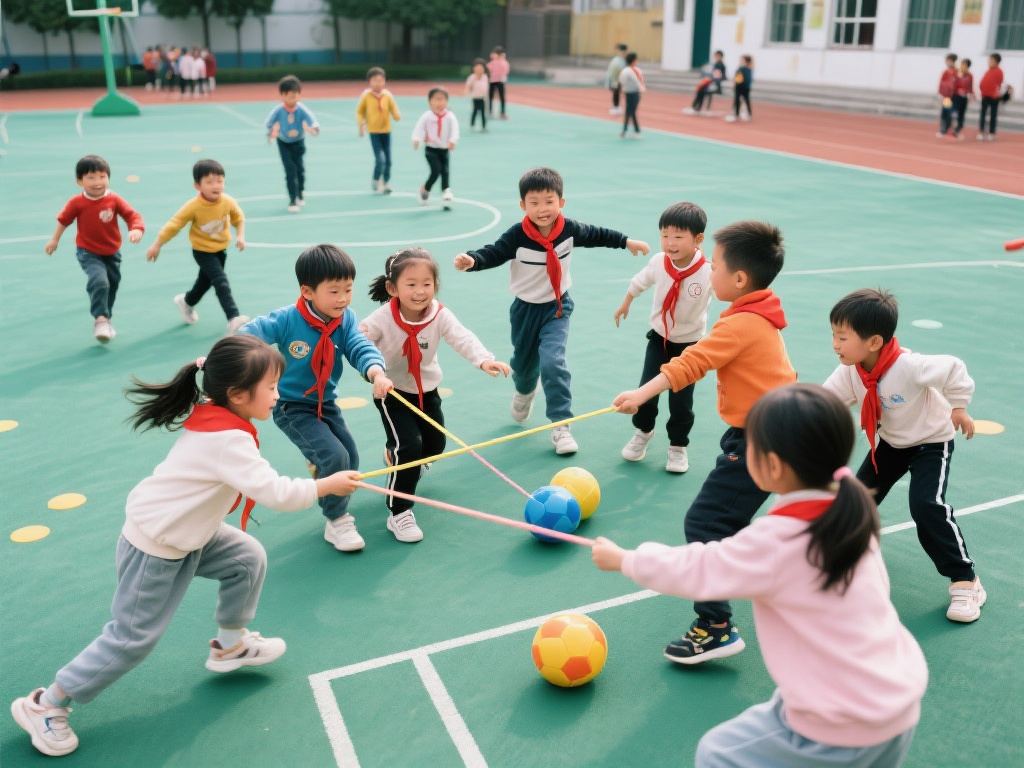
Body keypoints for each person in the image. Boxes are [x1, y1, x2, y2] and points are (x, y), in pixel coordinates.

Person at [9, 334, 362, 758]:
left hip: (190, 532)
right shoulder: (227, 439)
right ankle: (46, 704)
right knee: (131, 639)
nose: (277, 394)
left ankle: (231, 646)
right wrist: (325, 484)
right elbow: (277, 493)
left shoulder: (219, 414)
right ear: (237, 394)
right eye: (270, 387)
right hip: (157, 546)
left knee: (246, 557)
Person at [593, 383, 927, 767]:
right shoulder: (848, 510)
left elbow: (702, 568)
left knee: (718, 753)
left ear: (773, 466)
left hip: (842, 720)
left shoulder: (781, 540)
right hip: (893, 698)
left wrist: (626, 560)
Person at [613, 220, 794, 662]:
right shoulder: (758, 314)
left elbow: (690, 362)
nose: (708, 270)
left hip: (760, 440)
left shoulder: (741, 325)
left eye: (715, 265)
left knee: (706, 525)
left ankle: (716, 626)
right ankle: (762, 576)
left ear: (739, 279)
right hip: (772, 432)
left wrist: (641, 394)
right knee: (731, 523)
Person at [454, 167, 649, 455]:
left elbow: (597, 234)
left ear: (561, 202)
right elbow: (494, 252)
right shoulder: (517, 235)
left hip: (557, 308)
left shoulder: (569, 229)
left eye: (549, 201)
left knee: (553, 362)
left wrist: (626, 242)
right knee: (523, 366)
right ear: (523, 205)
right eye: (534, 202)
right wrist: (473, 260)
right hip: (524, 310)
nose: (542, 209)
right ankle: (524, 391)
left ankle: (561, 425)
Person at [824, 288, 983, 623]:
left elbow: (953, 368)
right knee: (855, 499)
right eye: (834, 335)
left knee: (926, 505)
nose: (835, 344)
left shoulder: (908, 366)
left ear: (874, 342)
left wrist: (959, 407)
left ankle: (965, 580)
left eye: (842, 337)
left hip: (930, 443)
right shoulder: (851, 370)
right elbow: (825, 401)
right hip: (891, 443)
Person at [238, 244, 392, 552]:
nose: (343, 298)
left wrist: (376, 372)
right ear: (307, 291)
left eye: (348, 289)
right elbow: (246, 335)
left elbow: (358, 345)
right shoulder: (287, 319)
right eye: (334, 291)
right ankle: (337, 519)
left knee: (351, 458)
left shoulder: (345, 319)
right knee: (336, 458)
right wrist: (229, 358)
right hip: (292, 406)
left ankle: (321, 469)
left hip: (326, 403)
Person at [359, 248, 511, 542]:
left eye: (426, 284)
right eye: (411, 284)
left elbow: (462, 337)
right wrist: (374, 373)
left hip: (427, 391)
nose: (420, 291)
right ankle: (399, 512)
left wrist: (484, 360)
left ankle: (399, 458)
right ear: (392, 288)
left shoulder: (439, 314)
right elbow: (357, 342)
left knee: (435, 444)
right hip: (392, 394)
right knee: (410, 448)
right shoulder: (381, 318)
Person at [613, 202, 711, 473]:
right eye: (665, 235)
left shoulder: (708, 272)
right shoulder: (659, 262)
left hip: (690, 347)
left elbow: (728, 294)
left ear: (698, 239)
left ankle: (678, 445)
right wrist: (625, 303)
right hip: (659, 340)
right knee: (645, 390)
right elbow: (640, 282)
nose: (670, 243)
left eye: (678, 236)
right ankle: (643, 432)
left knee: (681, 401)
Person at [44, 154, 145, 343]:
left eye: (102, 176)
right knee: (100, 281)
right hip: (87, 251)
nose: (97, 182)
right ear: (79, 181)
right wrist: (54, 240)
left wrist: (136, 229)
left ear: (108, 178)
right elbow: (63, 221)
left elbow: (132, 215)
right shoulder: (76, 202)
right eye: (91, 178)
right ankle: (100, 319)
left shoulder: (114, 199)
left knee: (112, 283)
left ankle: (106, 317)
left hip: (112, 252)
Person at [146, 158, 249, 333]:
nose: (216, 185)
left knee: (204, 283)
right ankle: (233, 317)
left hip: (221, 249)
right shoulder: (193, 206)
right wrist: (157, 244)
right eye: (209, 182)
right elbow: (174, 225)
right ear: (197, 186)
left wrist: (240, 236)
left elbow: (238, 218)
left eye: (219, 181)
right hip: (202, 251)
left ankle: (186, 302)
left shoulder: (228, 201)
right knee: (220, 281)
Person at [265, 75, 320, 212]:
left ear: (299, 95)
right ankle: (292, 200)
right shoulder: (279, 110)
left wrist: (314, 128)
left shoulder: (301, 109)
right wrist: (271, 132)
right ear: (283, 96)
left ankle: (300, 193)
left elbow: (312, 120)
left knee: (300, 170)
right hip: (284, 143)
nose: (293, 100)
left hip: (299, 143)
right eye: (290, 97)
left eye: (296, 96)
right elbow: (269, 122)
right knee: (290, 171)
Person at [411, 87, 460, 209]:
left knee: (445, 171)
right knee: (436, 170)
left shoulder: (450, 116)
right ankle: (425, 189)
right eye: (436, 99)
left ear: (446, 101)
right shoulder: (427, 116)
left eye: (442, 99)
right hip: (431, 149)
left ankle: (446, 191)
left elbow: (455, 130)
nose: (440, 103)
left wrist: (453, 140)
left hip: (444, 149)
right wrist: (416, 139)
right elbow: (419, 128)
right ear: (430, 101)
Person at [356, 66, 401, 194]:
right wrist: (361, 124)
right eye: (375, 80)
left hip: (386, 131)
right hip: (374, 132)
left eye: (381, 80)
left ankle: (385, 182)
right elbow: (360, 112)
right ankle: (376, 179)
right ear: (369, 82)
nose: (378, 83)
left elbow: (393, 108)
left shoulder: (387, 95)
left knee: (388, 160)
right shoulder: (366, 96)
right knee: (380, 159)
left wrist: (396, 115)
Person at [684, 50, 726, 115]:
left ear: (720, 56)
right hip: (712, 83)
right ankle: (696, 107)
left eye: (716, 56)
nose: (715, 57)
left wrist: (710, 80)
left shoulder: (719, 65)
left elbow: (717, 76)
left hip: (715, 85)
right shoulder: (716, 64)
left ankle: (697, 107)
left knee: (702, 91)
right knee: (701, 89)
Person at [978, 52, 1004, 141]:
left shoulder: (999, 72)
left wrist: (995, 94)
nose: (989, 61)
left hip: (994, 97)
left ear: (996, 61)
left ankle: (991, 133)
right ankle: (981, 131)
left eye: (991, 60)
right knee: (983, 114)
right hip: (985, 96)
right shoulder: (988, 71)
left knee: (993, 115)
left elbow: (999, 84)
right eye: (989, 60)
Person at [618, 52, 645, 138]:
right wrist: (641, 87)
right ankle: (633, 130)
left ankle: (627, 130)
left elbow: (622, 82)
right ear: (633, 60)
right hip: (632, 93)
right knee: (630, 111)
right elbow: (637, 82)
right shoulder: (628, 71)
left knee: (630, 111)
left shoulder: (631, 70)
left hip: (632, 93)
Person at [725, 54, 753, 122]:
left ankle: (749, 114)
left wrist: (746, 86)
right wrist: (735, 83)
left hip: (744, 88)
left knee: (746, 100)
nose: (741, 61)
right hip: (738, 87)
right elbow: (736, 77)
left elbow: (747, 80)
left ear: (746, 61)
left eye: (742, 60)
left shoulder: (748, 69)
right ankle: (736, 114)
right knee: (737, 101)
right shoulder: (739, 68)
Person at [936, 52, 958, 138]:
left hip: (954, 96)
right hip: (947, 97)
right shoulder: (946, 72)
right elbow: (941, 83)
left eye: (948, 61)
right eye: (947, 61)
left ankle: (953, 129)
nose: (947, 63)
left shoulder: (956, 72)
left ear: (953, 61)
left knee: (953, 113)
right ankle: (944, 129)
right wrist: (941, 93)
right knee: (945, 112)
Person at [951, 57, 973, 140]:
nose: (963, 66)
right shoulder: (957, 73)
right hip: (956, 96)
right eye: (962, 64)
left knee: (961, 113)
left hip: (964, 97)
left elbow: (970, 86)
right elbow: (953, 84)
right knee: (954, 111)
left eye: (965, 65)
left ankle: (958, 129)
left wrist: (971, 94)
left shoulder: (970, 75)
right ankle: (953, 125)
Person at [465, 58, 490, 131]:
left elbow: (486, 87)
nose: (479, 70)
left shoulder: (485, 77)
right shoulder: (472, 77)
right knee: (475, 111)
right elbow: (468, 86)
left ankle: (483, 126)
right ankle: (472, 124)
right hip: (475, 98)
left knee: (483, 112)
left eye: (481, 68)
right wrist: (466, 94)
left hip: (483, 98)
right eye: (478, 69)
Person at [486, 46, 510, 119]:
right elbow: (488, 69)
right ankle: (492, 111)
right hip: (494, 81)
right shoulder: (495, 62)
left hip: (499, 81)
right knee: (492, 97)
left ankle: (501, 112)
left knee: (500, 97)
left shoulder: (503, 62)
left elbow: (505, 71)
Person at [606, 43, 628, 115]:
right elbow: (613, 70)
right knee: (616, 93)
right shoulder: (617, 60)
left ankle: (617, 107)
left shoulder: (623, 59)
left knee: (617, 93)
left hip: (618, 80)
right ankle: (615, 107)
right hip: (615, 80)